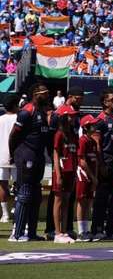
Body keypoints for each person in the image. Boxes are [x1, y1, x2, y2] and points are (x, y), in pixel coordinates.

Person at [8, 83, 50, 242]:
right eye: (44, 93)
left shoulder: (41, 111)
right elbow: (13, 136)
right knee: (24, 194)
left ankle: (31, 233)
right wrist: (14, 155)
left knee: (36, 195)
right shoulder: (27, 111)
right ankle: (16, 234)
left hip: (38, 157)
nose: (47, 96)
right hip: (26, 156)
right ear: (36, 94)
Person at [92, 89, 113, 239]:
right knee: (101, 198)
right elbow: (97, 145)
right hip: (106, 161)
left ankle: (110, 230)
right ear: (105, 102)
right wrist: (101, 164)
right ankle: (97, 229)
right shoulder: (99, 120)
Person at [51, 105, 79, 243]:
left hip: (71, 171)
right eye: (70, 115)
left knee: (67, 201)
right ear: (63, 117)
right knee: (58, 201)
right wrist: (58, 173)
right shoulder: (59, 134)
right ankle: (57, 233)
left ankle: (64, 231)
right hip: (61, 171)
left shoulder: (73, 134)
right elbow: (55, 154)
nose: (73, 118)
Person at [75, 115, 100, 241]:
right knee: (82, 201)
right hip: (83, 175)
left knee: (88, 202)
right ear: (86, 127)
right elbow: (82, 161)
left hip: (91, 176)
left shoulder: (93, 142)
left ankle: (86, 229)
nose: (95, 126)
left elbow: (95, 160)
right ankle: (81, 231)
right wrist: (92, 176)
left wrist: (95, 177)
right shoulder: (82, 141)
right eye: (93, 124)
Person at [0, 95, 19, 224]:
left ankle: (5, 215)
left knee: (2, 185)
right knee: (20, 185)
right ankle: (15, 211)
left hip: (1, 156)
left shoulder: (0, 119)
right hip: (16, 156)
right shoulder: (19, 118)